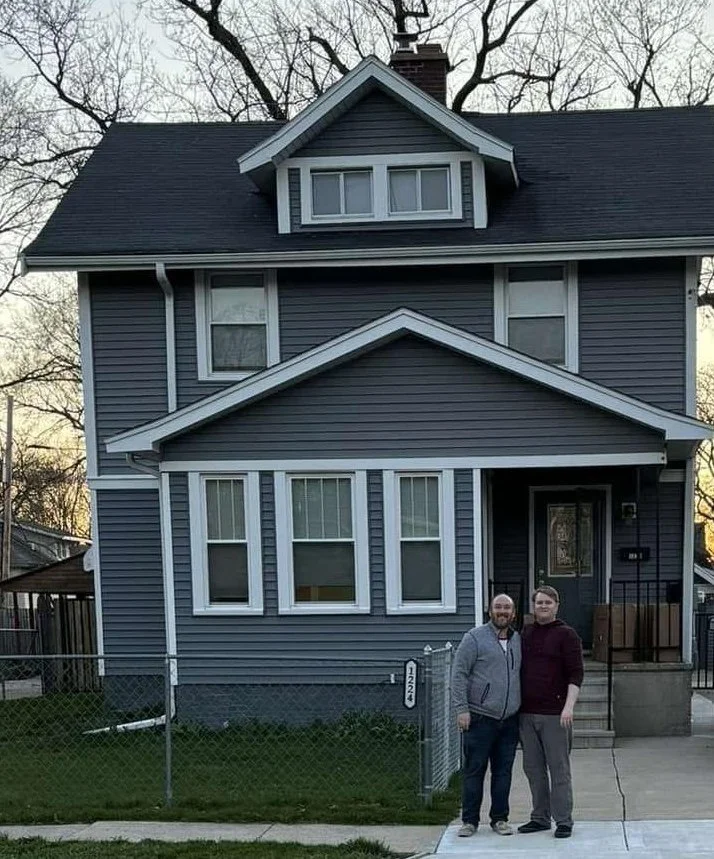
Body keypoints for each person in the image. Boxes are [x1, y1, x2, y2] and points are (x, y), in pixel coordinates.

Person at [451, 594, 521, 838]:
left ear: (513, 613)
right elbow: (459, 674)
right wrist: (462, 709)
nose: (502, 611)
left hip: (509, 720)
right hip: (480, 719)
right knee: (474, 770)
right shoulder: (474, 638)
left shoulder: (517, 640)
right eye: (498, 607)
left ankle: (499, 819)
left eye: (507, 608)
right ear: (490, 611)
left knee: (503, 772)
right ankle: (469, 821)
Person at [518, 585, 584, 840]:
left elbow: (576, 673)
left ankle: (564, 820)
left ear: (556, 605)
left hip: (555, 715)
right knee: (533, 770)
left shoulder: (567, 635)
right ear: (533, 606)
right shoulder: (526, 633)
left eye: (548, 602)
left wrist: (568, 707)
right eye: (539, 602)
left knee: (559, 770)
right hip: (526, 714)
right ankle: (540, 818)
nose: (543, 606)